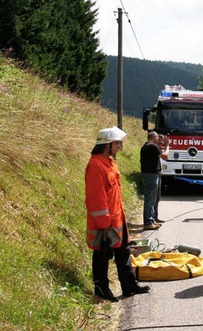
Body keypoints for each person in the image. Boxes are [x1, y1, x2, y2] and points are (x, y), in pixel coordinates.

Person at [86, 126, 150, 302]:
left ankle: (129, 286)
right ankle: (101, 289)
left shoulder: (110, 162)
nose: (119, 147)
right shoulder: (95, 165)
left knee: (123, 252)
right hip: (104, 224)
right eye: (117, 143)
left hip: (116, 218)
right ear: (107, 145)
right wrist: (104, 225)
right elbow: (96, 199)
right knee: (102, 256)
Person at [140, 131, 169, 230]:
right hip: (151, 175)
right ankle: (148, 222)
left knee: (155, 199)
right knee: (150, 200)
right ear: (154, 137)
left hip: (151, 174)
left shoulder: (146, 146)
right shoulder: (152, 146)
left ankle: (153, 219)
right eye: (158, 138)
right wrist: (167, 146)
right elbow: (165, 156)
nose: (159, 140)